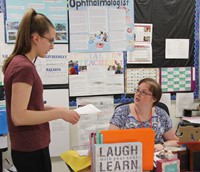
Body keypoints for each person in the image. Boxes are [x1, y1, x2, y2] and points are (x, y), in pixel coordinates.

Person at [2, 8, 80, 172]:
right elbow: (19, 116)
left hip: (28, 148)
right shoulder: (24, 68)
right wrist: (59, 114)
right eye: (50, 40)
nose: (52, 46)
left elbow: (31, 108)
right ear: (36, 38)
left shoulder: (18, 63)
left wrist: (61, 110)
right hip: (30, 150)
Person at [109, 78, 179, 152]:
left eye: (143, 92)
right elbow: (110, 141)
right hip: (130, 157)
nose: (138, 94)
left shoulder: (161, 114)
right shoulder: (122, 112)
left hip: (155, 157)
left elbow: (176, 141)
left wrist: (163, 145)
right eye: (138, 90)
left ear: (154, 99)